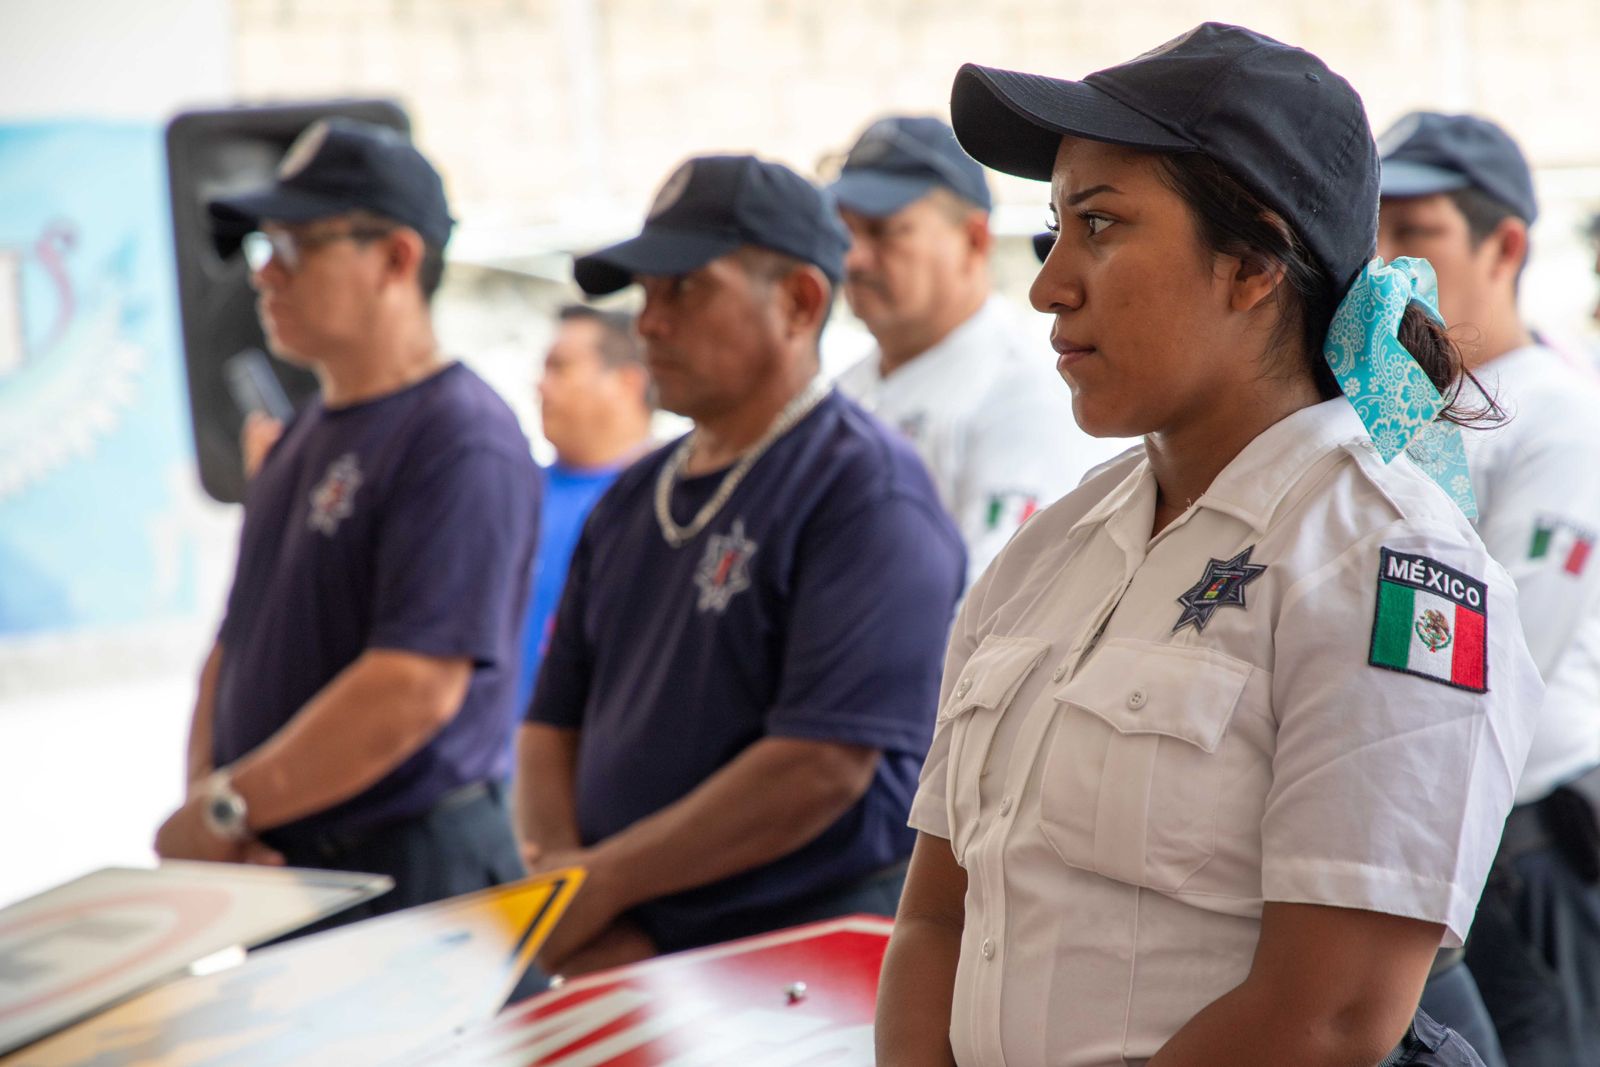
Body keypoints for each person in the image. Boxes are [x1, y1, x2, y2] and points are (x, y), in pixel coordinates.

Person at [874, 23, 1543, 1067]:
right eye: (1053, 229)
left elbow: (1326, 1019)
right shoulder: (1046, 557)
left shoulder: (1392, 567)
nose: (1049, 284)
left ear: (1250, 262)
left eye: (1098, 225)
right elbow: (936, 920)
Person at [516, 154, 965, 977]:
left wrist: (601, 884)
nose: (649, 322)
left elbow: (822, 765)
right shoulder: (631, 496)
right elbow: (551, 720)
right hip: (621, 947)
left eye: (686, 288)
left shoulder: (864, 490)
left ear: (799, 301)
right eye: (646, 294)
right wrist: (560, 879)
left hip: (791, 966)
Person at [153, 118, 540, 931]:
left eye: (295, 246)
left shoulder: (459, 435)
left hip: (415, 879)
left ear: (396, 258)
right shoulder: (299, 436)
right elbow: (236, 642)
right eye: (264, 248)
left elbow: (412, 687)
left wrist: (229, 807)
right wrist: (213, 802)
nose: (266, 276)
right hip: (294, 865)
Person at [1379, 111, 1600, 1066]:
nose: (1385, 263)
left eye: (1415, 233)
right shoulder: (1387, 404)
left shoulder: (1553, 416)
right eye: (1374, 230)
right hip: (1414, 830)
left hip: (1520, 846)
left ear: (1504, 244)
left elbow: (1496, 659)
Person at [829, 115, 1130, 584]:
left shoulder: (1027, 389)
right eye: (844, 230)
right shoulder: (844, 388)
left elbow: (993, 606)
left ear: (973, 239)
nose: (853, 258)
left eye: (883, 230)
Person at [515, 305, 653, 715]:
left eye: (560, 368)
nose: (540, 385)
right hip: (486, 760)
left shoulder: (664, 513)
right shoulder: (516, 490)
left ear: (627, 383)